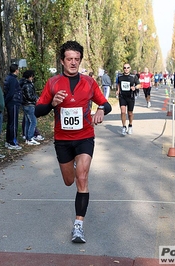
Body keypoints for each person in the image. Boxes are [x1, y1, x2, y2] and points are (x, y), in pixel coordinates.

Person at [35, 41, 112, 243]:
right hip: (62, 139)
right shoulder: (53, 83)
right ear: (62, 61)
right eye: (69, 59)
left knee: (82, 179)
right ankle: (76, 165)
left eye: (76, 59)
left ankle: (78, 226)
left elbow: (106, 103)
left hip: (85, 136)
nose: (73, 62)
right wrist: (53, 103)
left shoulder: (88, 82)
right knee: (69, 181)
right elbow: (38, 110)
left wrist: (101, 110)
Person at [116, 63, 140, 135]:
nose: (126, 69)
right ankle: (124, 127)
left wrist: (135, 87)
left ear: (130, 68)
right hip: (122, 97)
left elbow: (139, 85)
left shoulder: (133, 77)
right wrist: (118, 90)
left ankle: (130, 125)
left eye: (127, 67)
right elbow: (118, 84)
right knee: (123, 111)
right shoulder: (120, 76)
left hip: (131, 97)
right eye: (124, 68)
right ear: (123, 69)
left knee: (130, 113)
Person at [4, 64, 23, 150]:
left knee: (10, 122)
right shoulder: (13, 79)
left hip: (11, 103)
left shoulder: (8, 78)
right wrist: (6, 101)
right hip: (13, 103)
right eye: (18, 69)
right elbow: (11, 93)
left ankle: (8, 140)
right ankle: (13, 142)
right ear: (16, 70)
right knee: (14, 123)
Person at [20, 70, 39, 145]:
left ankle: (27, 136)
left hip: (25, 104)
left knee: (28, 121)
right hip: (29, 104)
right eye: (32, 76)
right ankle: (30, 137)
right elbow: (29, 96)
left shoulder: (23, 84)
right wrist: (36, 98)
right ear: (30, 76)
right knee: (33, 121)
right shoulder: (28, 85)